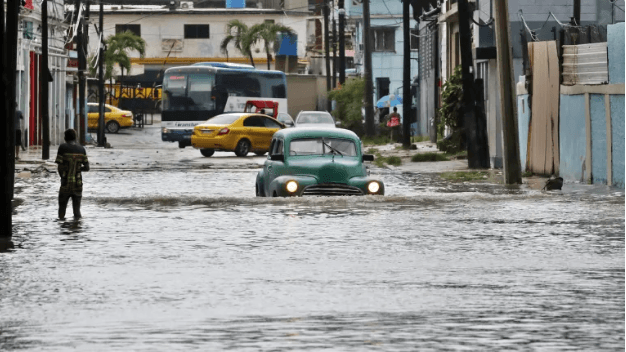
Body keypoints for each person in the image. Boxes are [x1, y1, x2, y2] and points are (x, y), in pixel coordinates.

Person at [55, 129, 89, 219]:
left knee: (61, 211)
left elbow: (59, 166)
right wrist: (78, 168)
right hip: (77, 184)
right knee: (77, 212)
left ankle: (62, 229)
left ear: (65, 138)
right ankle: (77, 229)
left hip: (65, 183)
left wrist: (63, 177)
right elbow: (87, 167)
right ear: (75, 138)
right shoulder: (82, 149)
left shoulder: (62, 148)